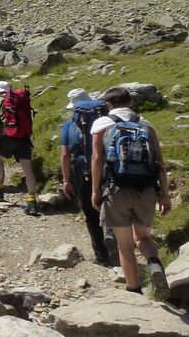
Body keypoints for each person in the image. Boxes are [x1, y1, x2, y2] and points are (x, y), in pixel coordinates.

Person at [91, 87, 171, 297]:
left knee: (125, 245)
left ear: (108, 105)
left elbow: (97, 160)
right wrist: (164, 194)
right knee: (143, 238)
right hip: (145, 190)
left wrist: (95, 191)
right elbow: (160, 163)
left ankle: (134, 291)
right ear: (130, 102)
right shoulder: (146, 125)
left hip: (116, 190)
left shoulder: (101, 125)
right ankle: (154, 265)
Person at [60, 89, 113, 266]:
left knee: (91, 214)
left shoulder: (69, 126)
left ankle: (102, 256)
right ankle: (116, 241)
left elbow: (65, 154)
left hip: (83, 172)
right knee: (114, 207)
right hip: (110, 170)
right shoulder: (109, 121)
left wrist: (66, 180)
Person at [0, 80, 39, 216]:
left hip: (7, 137)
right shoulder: (20, 100)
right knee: (27, 168)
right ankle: (31, 200)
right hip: (23, 137)